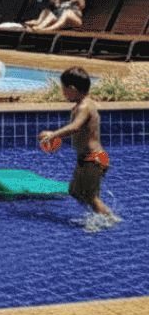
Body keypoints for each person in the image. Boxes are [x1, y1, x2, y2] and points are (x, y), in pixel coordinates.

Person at [38, 67, 119, 225]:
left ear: (72, 89)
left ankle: (110, 221)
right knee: (74, 191)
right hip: (85, 159)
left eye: (63, 90)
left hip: (95, 158)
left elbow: (75, 127)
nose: (63, 94)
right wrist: (57, 137)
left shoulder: (84, 107)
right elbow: (79, 132)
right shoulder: (82, 105)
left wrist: (53, 135)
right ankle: (97, 216)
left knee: (90, 196)